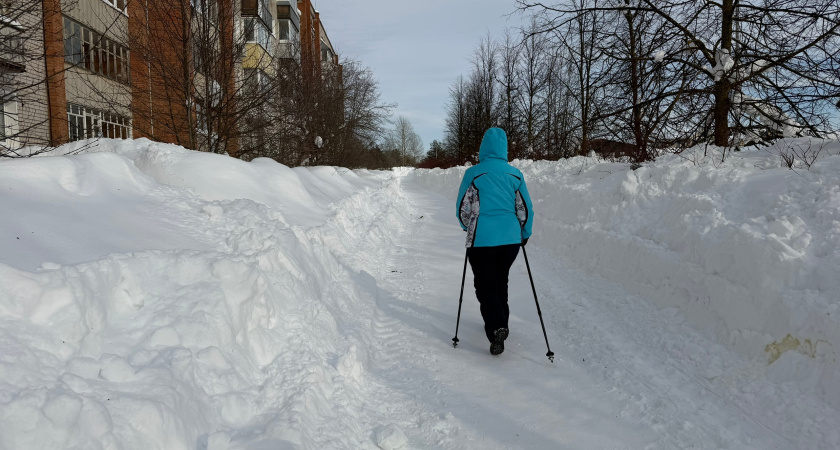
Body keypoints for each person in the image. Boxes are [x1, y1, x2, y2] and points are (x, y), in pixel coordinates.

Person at [456, 127, 534, 356]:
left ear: (483, 148)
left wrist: (466, 226)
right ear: (504, 148)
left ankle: (496, 327)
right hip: (510, 239)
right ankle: (501, 323)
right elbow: (525, 209)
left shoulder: (474, 173)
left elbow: (463, 207)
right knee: (501, 281)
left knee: (485, 284)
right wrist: (525, 233)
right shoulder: (515, 174)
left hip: (481, 239)